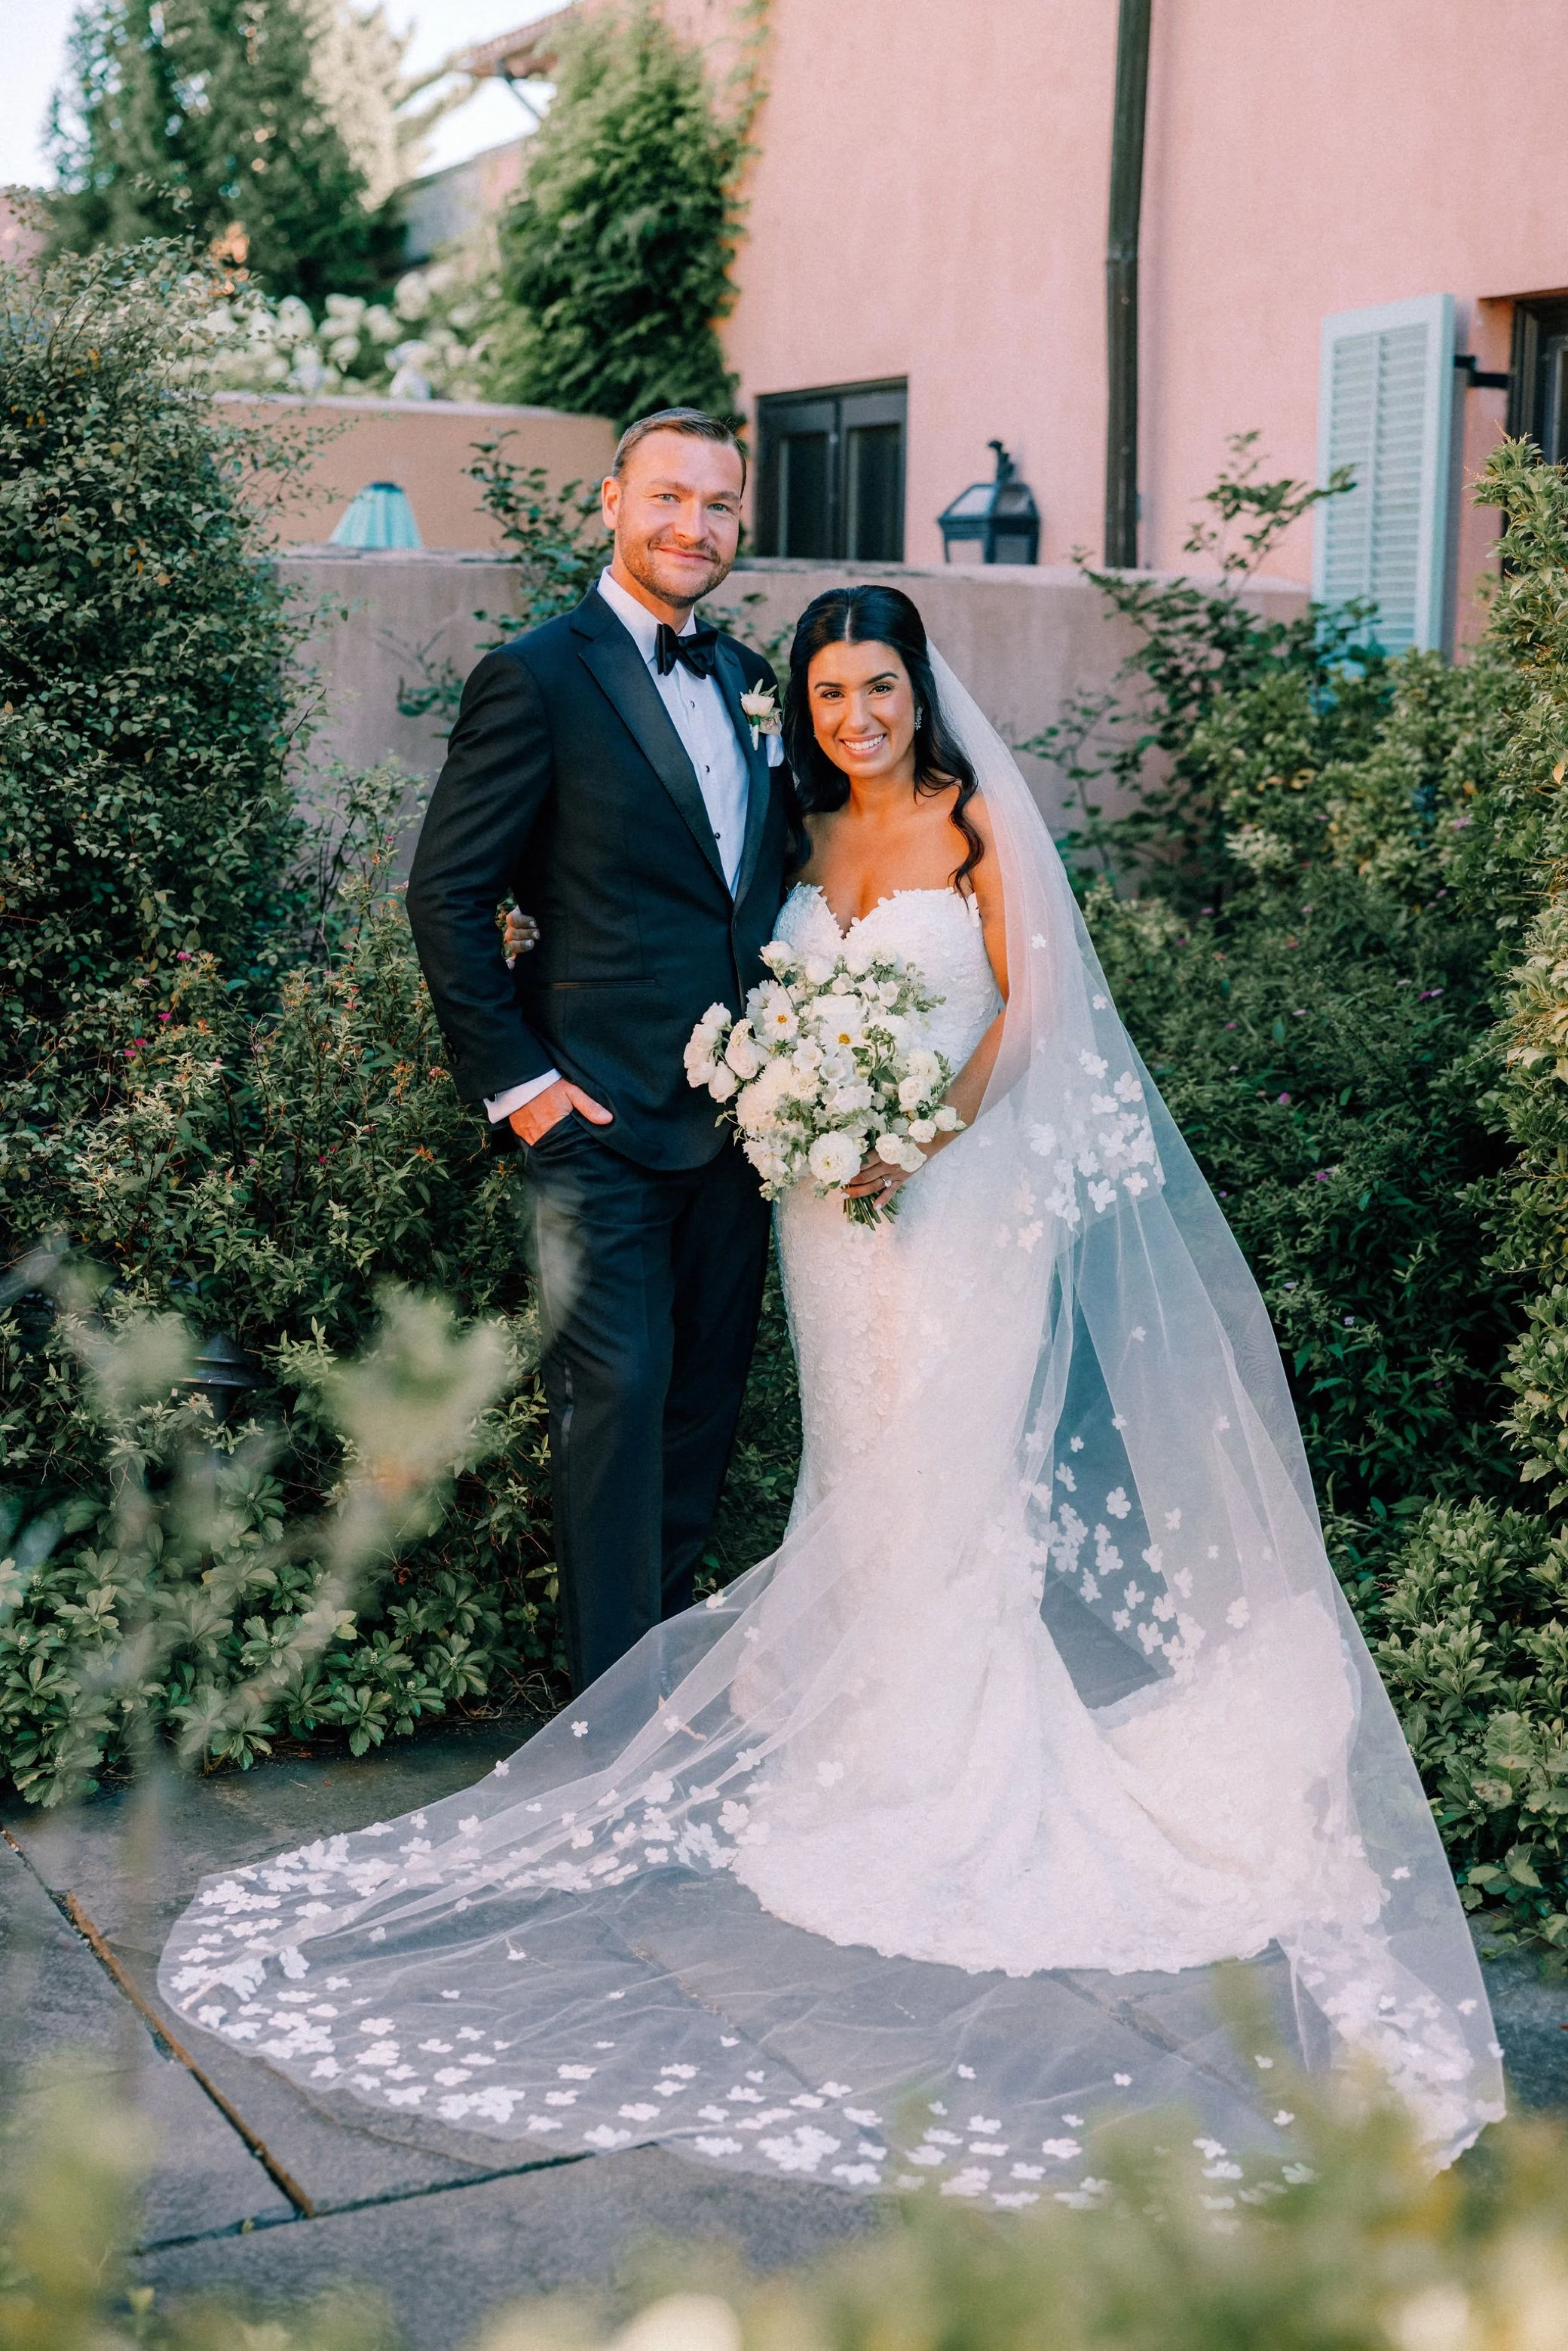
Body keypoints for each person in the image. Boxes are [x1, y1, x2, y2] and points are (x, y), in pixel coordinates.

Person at [163, 589, 1502, 2205]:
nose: (854, 715)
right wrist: (799, 1112)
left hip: (956, 1199)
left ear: (916, 689)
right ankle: (865, 1743)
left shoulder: (973, 823)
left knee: (949, 1471)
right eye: (826, 692)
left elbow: (1028, 1014)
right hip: (824, 1212)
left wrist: (916, 1135)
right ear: (798, 705)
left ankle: (956, 1769)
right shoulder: (794, 832)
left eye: (877, 686)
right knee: (859, 1465)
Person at [404, 408, 792, 1691]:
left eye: (719, 504)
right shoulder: (537, 677)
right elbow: (448, 894)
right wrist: (524, 1091)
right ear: (613, 502)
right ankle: (611, 1732)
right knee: (617, 1411)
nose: (695, 525)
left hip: (743, 1128)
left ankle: (664, 1692)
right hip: (597, 1125)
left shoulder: (752, 680)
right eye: (669, 496)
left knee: (699, 1412)